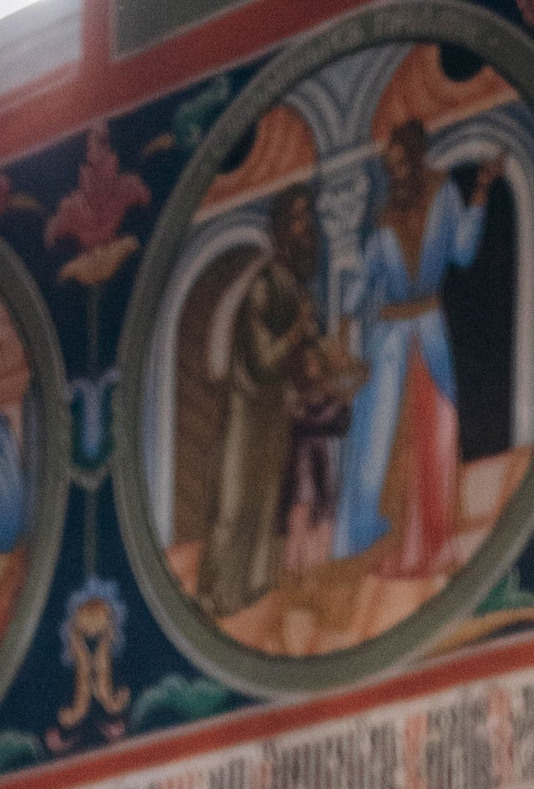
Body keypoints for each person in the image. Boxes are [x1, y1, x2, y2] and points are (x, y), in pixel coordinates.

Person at [333, 125, 498, 576]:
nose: (395, 174)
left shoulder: (442, 194)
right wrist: (347, 318)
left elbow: (463, 252)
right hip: (386, 340)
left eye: (401, 164)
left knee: (436, 430)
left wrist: (481, 192)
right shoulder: (384, 217)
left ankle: (433, 542)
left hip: (428, 330)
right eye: (390, 168)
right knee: (382, 439)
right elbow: (367, 277)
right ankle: (382, 544)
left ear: (417, 157)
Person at [198, 190, 360, 621]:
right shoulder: (263, 288)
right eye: (298, 221)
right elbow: (263, 358)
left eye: (309, 221)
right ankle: (216, 597)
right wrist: (296, 333)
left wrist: (334, 360)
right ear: (280, 232)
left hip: (277, 419)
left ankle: (252, 590)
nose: (307, 231)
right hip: (249, 416)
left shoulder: (297, 288)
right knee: (234, 507)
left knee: (268, 505)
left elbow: (313, 355)